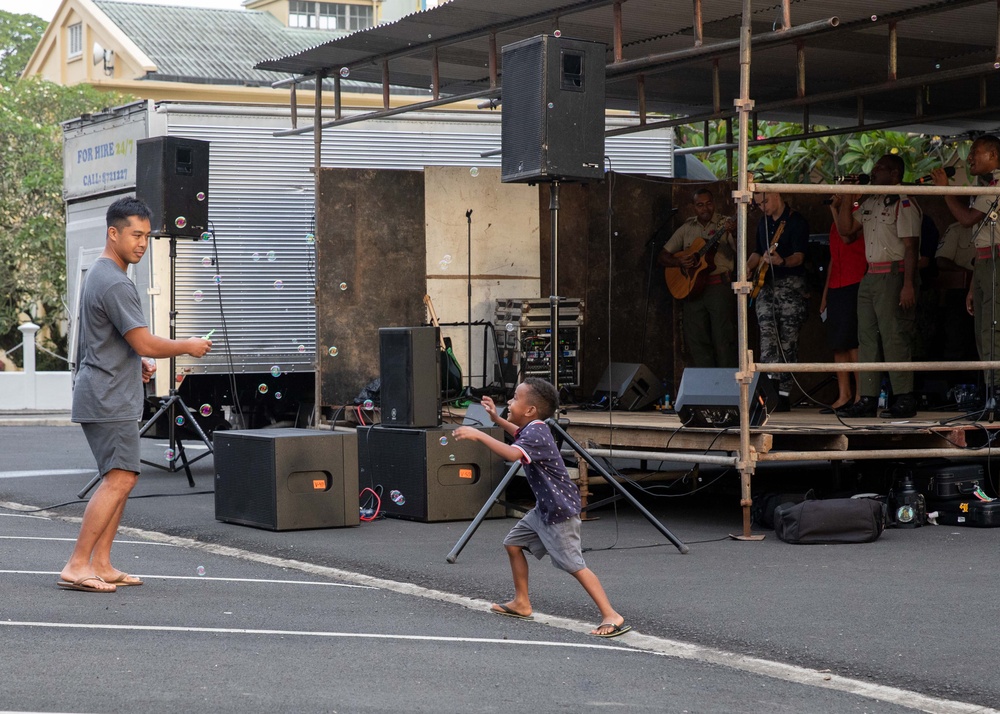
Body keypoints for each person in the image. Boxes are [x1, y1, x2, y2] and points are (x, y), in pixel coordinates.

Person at [59, 196, 212, 593]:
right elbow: (143, 340)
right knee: (121, 478)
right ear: (114, 233)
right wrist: (187, 345)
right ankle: (78, 564)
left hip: (107, 391)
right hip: (108, 397)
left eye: (146, 235)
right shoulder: (114, 281)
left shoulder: (100, 273)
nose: (142, 243)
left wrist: (134, 361)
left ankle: (103, 563)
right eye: (135, 234)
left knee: (120, 477)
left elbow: (109, 340)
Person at [453, 378, 630, 638]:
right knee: (513, 543)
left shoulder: (536, 432)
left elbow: (513, 454)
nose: (510, 402)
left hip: (559, 512)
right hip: (544, 509)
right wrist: (496, 419)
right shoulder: (533, 428)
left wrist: (479, 434)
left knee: (574, 564)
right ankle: (521, 603)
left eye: (514, 398)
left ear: (530, 410)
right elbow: (516, 434)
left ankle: (611, 614)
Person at [835, 154, 921, 419]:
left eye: (879, 168)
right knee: (867, 338)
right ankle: (868, 398)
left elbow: (911, 247)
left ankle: (904, 398)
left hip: (893, 275)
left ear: (895, 174)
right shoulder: (871, 201)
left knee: (894, 335)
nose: (873, 172)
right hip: (871, 275)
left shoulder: (903, 203)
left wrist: (908, 284)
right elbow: (846, 231)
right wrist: (848, 196)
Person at [932, 135, 1000, 405]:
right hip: (984, 262)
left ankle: (995, 392)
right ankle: (989, 391)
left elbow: (967, 218)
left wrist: (945, 190)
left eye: (976, 152)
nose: (970, 157)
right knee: (982, 330)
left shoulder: (996, 185)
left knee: (993, 328)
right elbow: (980, 240)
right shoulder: (985, 185)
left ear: (993, 154)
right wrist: (972, 285)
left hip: (995, 261)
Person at [658, 188, 737, 368]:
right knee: (697, 340)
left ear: (714, 203)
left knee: (723, 339)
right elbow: (662, 256)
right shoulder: (687, 228)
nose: (705, 208)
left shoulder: (725, 223)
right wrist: (679, 263)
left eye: (708, 203)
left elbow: (739, 250)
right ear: (693, 207)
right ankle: (706, 388)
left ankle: (727, 388)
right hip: (692, 290)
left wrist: (733, 233)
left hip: (718, 287)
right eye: (700, 205)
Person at [746, 190, 809, 411]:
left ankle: (784, 393)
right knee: (767, 335)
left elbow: (800, 257)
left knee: (788, 340)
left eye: (763, 201)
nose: (761, 206)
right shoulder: (762, 223)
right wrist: (748, 266)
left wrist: (781, 261)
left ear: (776, 195)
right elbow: (757, 252)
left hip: (790, 286)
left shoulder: (796, 221)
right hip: (766, 287)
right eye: (757, 203)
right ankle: (769, 390)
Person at [819, 194, 867, 413]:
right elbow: (832, 258)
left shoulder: (859, 212)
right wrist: (825, 295)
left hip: (854, 280)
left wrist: (834, 209)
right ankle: (843, 394)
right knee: (837, 342)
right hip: (837, 284)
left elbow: (847, 237)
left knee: (852, 341)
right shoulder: (837, 217)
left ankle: (860, 394)